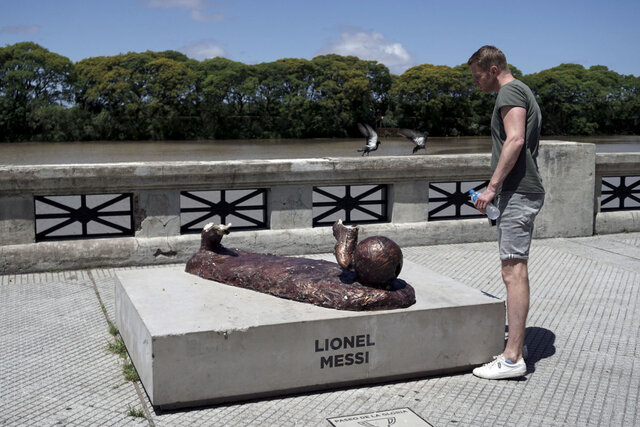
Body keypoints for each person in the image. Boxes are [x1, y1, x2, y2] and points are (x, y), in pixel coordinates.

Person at [467, 46, 545, 379]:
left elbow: (514, 141)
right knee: (514, 269)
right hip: (520, 191)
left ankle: (512, 359)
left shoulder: (510, 91)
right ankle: (517, 343)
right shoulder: (522, 90)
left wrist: (492, 188)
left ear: (493, 69)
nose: (476, 82)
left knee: (513, 271)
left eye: (478, 76)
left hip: (518, 192)